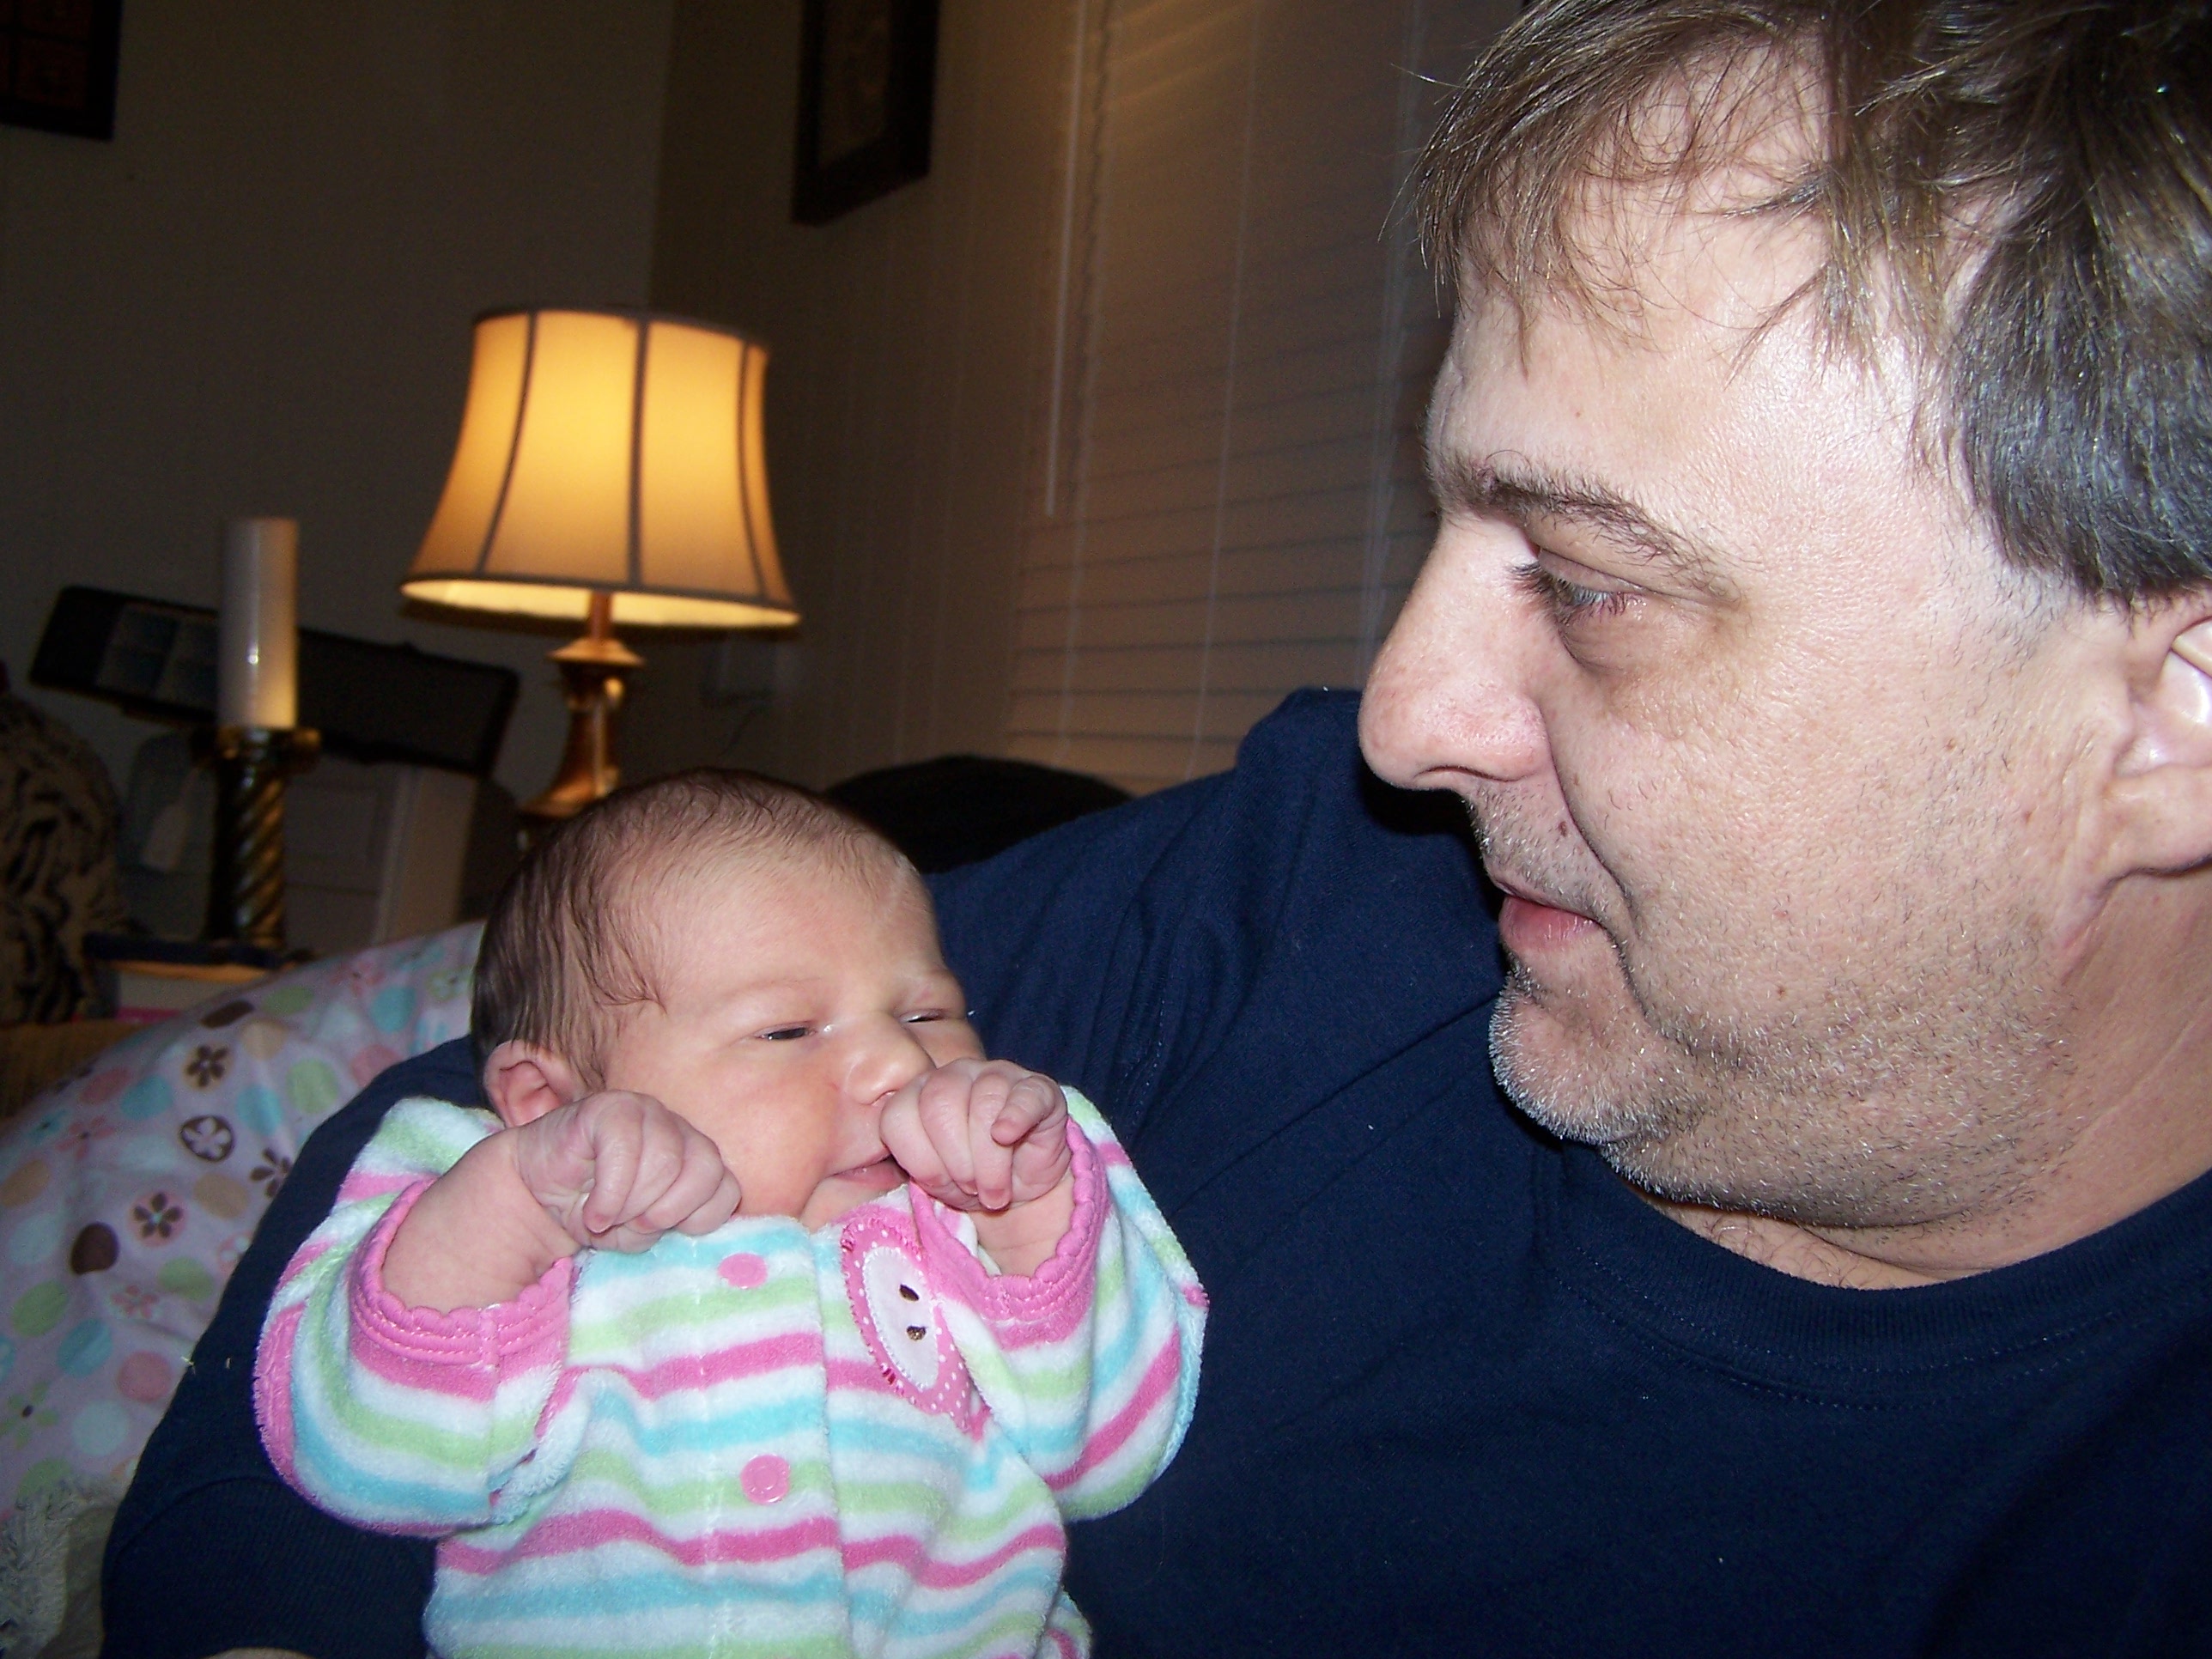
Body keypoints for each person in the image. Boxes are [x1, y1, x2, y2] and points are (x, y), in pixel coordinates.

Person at [106, 1, 2212, 1653]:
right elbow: (480, 1100)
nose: (1399, 718)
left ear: (2170, 714)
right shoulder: (1325, 891)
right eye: (1453, 527)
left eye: (1585, 585)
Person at [251, 772, 1203, 1658]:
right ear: (547, 1102)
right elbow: (371, 1466)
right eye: (786, 1030)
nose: (901, 1065)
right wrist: (516, 1203)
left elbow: (1106, 1460)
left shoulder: (974, 1205)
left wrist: (1025, 1209)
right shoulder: (501, 1207)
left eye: (927, 1016)